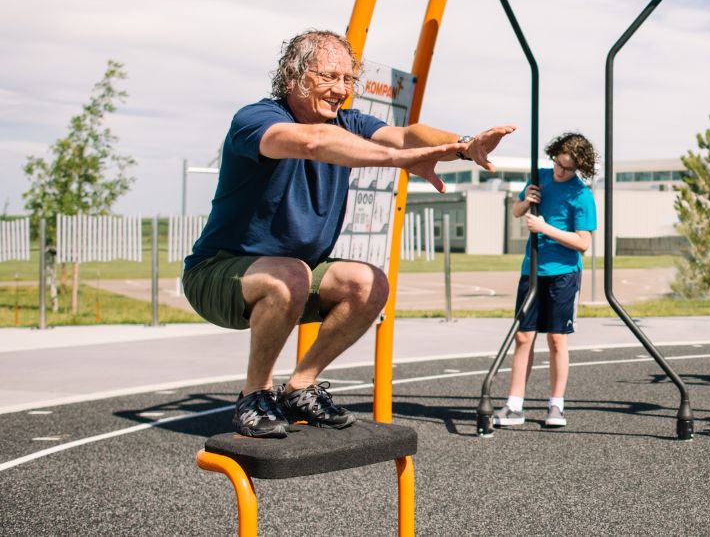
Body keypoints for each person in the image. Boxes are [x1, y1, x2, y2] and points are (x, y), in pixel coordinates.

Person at [183, 29, 515, 438]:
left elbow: (409, 134)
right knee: (291, 274)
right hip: (219, 274)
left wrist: (462, 144)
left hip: (293, 275)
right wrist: (399, 160)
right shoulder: (257, 120)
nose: (341, 89)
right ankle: (255, 396)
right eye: (329, 77)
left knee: (368, 283)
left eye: (348, 80)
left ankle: (300, 387)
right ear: (293, 77)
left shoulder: (349, 123)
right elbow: (313, 142)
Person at [493, 132, 597, 429]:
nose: (560, 171)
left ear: (578, 168)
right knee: (523, 336)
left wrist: (544, 227)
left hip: (563, 274)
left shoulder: (581, 195)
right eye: (558, 164)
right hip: (532, 270)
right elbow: (516, 212)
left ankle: (556, 405)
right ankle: (514, 406)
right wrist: (526, 201)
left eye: (567, 168)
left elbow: (583, 243)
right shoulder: (539, 177)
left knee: (556, 340)